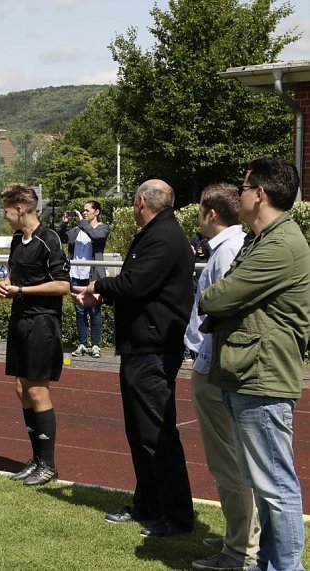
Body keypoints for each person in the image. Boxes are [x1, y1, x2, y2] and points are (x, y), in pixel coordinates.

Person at [200, 157, 310, 571]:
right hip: (248, 373)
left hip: (261, 378)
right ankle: (270, 564)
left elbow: (217, 296)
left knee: (275, 485)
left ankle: (286, 567)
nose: (238, 194)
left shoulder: (281, 245)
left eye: (243, 187)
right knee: (264, 485)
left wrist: (217, 297)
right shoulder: (261, 238)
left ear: (259, 193)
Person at [76, 179, 194, 538]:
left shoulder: (163, 236)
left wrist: (98, 287)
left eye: (132, 201)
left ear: (141, 202)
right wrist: (106, 293)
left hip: (154, 348)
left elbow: (135, 283)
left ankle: (175, 516)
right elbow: (136, 284)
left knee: (156, 434)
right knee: (141, 431)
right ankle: (148, 504)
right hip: (143, 345)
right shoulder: (159, 232)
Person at [183, 183, 258, 571]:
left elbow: (222, 310)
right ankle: (239, 535)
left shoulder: (228, 250)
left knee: (228, 463)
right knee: (233, 461)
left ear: (211, 214)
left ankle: (240, 551)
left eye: (199, 209)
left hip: (215, 365)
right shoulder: (232, 246)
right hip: (213, 361)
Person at [0, 184, 70, 486]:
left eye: (7, 211)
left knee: (38, 391)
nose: (5, 216)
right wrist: (8, 284)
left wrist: (22, 290)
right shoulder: (17, 239)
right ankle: (36, 459)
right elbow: (16, 274)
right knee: (21, 389)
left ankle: (49, 465)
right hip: (20, 320)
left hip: (42, 323)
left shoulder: (49, 239)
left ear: (21, 209)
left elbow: (63, 285)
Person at [65, 201, 109, 358]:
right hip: (76, 275)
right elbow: (63, 238)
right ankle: (82, 343)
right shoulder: (78, 229)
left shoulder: (102, 227)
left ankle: (96, 344)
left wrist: (82, 223)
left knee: (95, 310)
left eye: (87, 210)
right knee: (79, 311)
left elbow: (97, 237)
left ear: (96, 212)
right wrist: (64, 224)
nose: (84, 213)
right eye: (83, 210)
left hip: (93, 276)